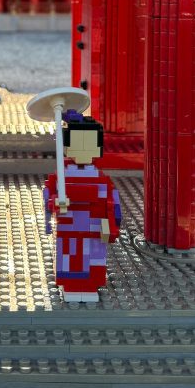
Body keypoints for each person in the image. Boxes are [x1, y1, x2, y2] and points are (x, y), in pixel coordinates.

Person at [44, 112, 121, 302]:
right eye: (79, 143)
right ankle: (71, 287)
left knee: (94, 259)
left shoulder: (100, 177)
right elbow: (48, 195)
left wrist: (112, 223)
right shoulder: (61, 177)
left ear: (98, 147)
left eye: (90, 143)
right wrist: (55, 203)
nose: (85, 149)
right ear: (67, 146)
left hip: (94, 225)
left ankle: (89, 287)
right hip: (69, 226)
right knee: (71, 259)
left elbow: (112, 201)